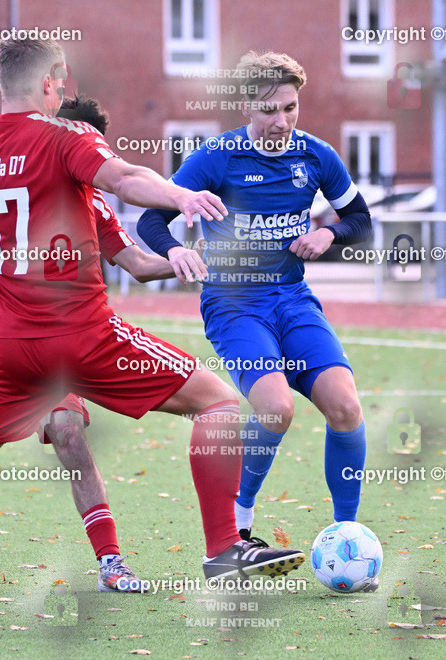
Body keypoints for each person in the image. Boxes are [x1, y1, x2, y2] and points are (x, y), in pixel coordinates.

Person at [0, 38, 304, 623]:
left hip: (3, 351)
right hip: (78, 336)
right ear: (51, 82)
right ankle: (224, 548)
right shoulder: (64, 137)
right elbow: (124, 178)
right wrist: (180, 194)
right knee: (220, 404)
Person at [0, 96, 184, 594]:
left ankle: (110, 561)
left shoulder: (91, 205)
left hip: (54, 346)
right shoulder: (2, 174)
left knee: (68, 432)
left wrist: (194, 259)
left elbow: (136, 263)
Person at [137, 51, 373, 563]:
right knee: (275, 409)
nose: (282, 121)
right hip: (235, 304)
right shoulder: (215, 158)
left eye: (290, 108)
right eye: (270, 110)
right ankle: (239, 524)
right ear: (246, 105)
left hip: (292, 300)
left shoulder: (316, 155)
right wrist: (174, 249)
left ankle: (346, 538)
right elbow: (151, 221)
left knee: (347, 407)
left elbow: (360, 218)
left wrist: (329, 232)